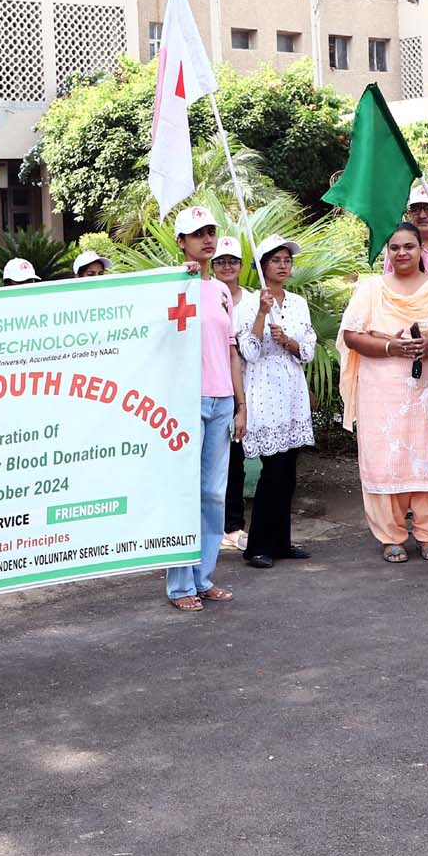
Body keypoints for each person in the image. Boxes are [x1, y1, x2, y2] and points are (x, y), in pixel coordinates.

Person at [339, 222, 428, 563]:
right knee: (386, 456)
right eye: (394, 247)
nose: (402, 253)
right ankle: (390, 535)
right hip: (383, 388)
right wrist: (392, 347)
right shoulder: (370, 288)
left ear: (422, 250)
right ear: (387, 253)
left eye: (409, 246)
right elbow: (352, 335)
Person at [165, 205, 243, 612]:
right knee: (185, 492)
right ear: (181, 242)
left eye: (211, 232)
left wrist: (240, 403)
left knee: (214, 493)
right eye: (198, 234)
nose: (207, 240)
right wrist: (179, 281)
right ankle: (180, 586)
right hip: (185, 402)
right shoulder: (170, 286)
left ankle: (203, 576)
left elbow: (231, 351)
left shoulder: (221, 291)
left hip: (221, 400)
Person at [235, 234, 316, 569]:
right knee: (273, 470)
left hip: (291, 388)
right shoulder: (247, 304)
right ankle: (257, 545)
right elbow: (248, 352)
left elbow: (309, 347)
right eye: (276, 260)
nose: (283, 266)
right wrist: (261, 315)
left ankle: (281, 541)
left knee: (290, 472)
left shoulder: (297, 303)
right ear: (263, 265)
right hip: (264, 388)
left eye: (287, 260)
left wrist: (291, 342)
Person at [210, 237, 251, 552]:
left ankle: (234, 526)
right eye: (221, 261)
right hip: (214, 389)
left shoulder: (252, 301)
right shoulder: (203, 294)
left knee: (237, 463)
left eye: (232, 261)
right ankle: (213, 527)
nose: (227, 266)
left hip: (249, 389)